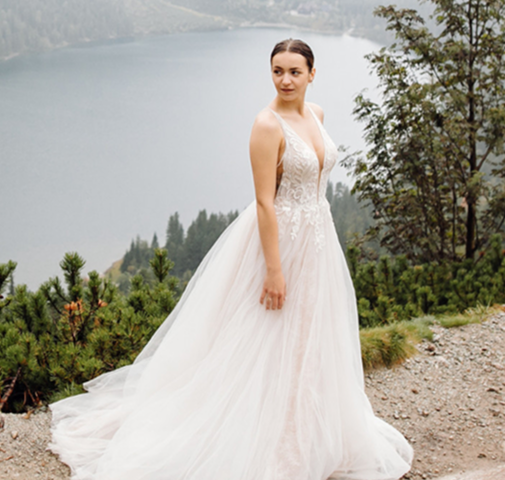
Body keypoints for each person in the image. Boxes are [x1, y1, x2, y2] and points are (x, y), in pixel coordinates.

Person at [47, 38, 414, 480]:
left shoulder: (317, 115)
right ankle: (263, 437)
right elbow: (264, 202)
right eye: (277, 71)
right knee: (265, 336)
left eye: (295, 71)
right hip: (279, 240)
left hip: (317, 238)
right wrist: (274, 270)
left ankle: (306, 429)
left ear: (312, 74)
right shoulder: (267, 125)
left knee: (307, 337)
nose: (285, 80)